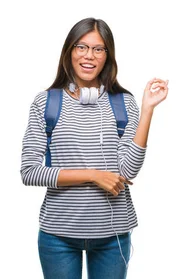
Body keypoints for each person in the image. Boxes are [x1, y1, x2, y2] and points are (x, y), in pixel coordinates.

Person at [20, 17, 168, 279]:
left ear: (107, 56)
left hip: (113, 235)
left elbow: (128, 171)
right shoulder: (46, 102)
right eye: (81, 47)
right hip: (58, 235)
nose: (89, 56)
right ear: (69, 51)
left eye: (98, 49)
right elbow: (30, 172)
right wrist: (93, 175)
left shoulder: (124, 103)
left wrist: (147, 110)